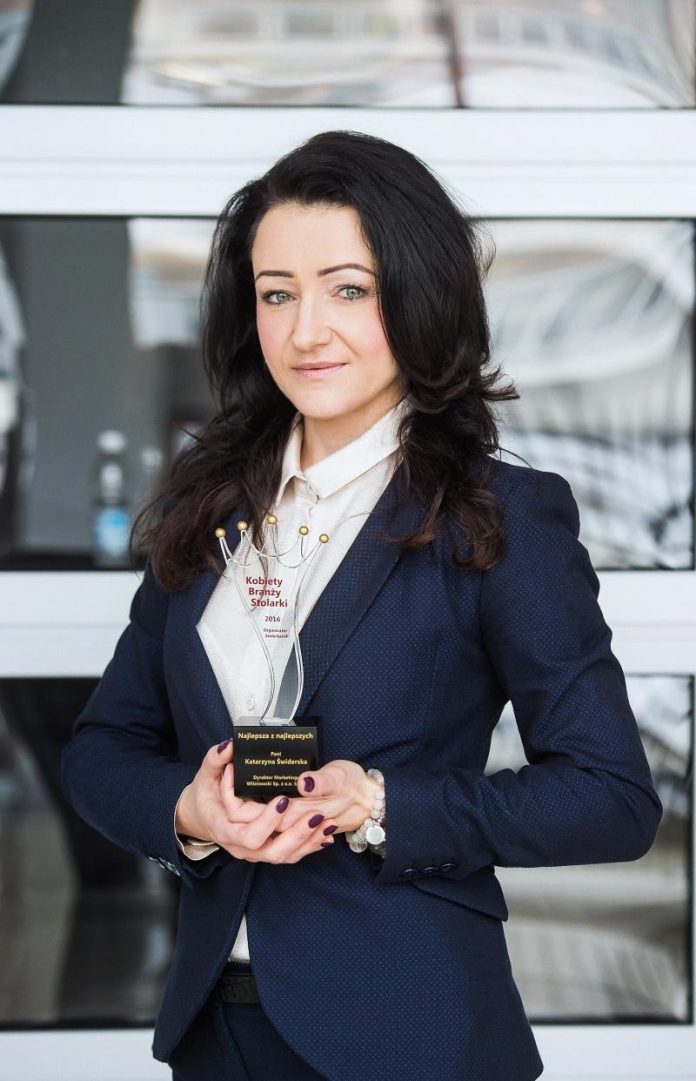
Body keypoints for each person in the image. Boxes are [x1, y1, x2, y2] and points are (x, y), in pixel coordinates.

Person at [61, 130, 663, 1081]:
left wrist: (380, 803)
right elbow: (102, 749)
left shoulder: (497, 514)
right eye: (277, 293)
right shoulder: (208, 504)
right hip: (217, 1037)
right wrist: (190, 810)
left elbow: (612, 797)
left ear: (419, 295)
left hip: (411, 1036)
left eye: (348, 289)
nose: (306, 331)